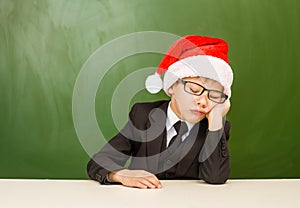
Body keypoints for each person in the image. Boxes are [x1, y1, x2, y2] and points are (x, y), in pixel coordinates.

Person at [87, 35, 234, 189]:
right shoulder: (142, 115)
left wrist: (216, 119)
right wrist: (121, 174)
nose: (203, 102)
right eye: (194, 90)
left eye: (215, 95)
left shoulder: (214, 128)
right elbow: (99, 161)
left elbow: (216, 177)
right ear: (171, 87)